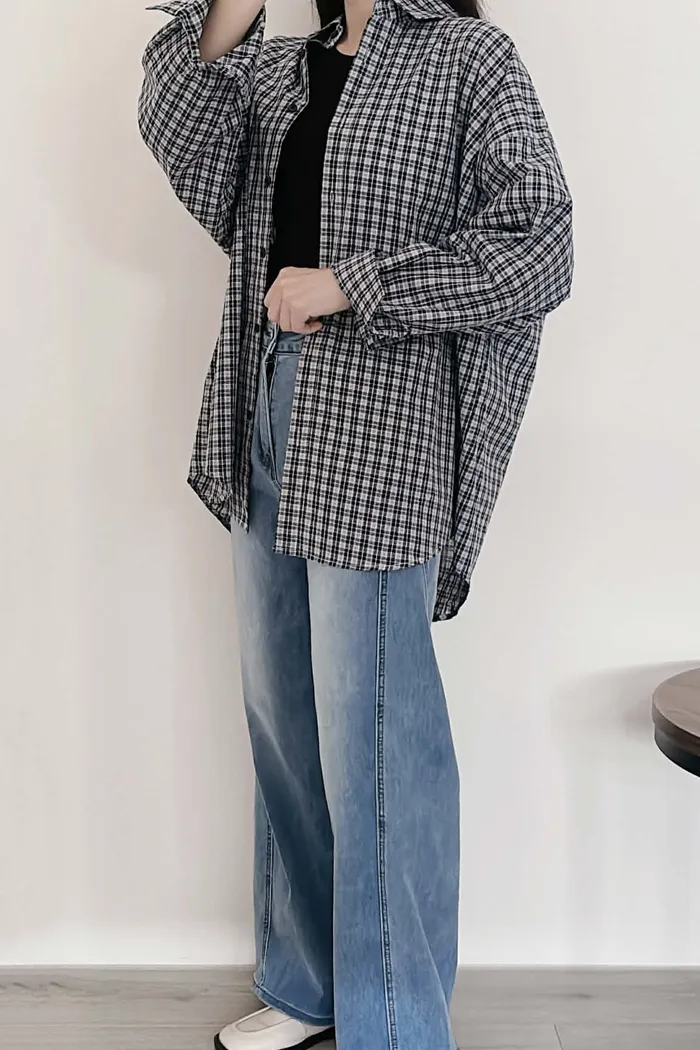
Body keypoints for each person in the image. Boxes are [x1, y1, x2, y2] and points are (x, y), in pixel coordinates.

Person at [138, 0, 574, 1048]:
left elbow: (539, 244)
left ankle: (397, 1021)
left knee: (373, 731)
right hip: (262, 400)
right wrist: (232, 10)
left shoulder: (467, 56)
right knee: (282, 714)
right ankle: (308, 986)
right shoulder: (279, 68)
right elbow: (185, 142)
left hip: (380, 421)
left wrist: (352, 284)